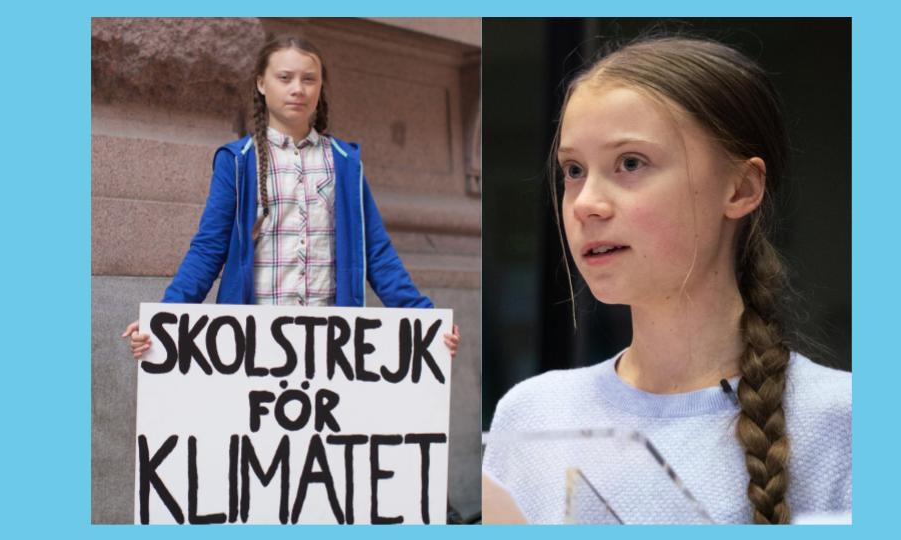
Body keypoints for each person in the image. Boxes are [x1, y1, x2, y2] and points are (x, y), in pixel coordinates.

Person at [482, 37, 850, 524]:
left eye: (630, 163)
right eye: (573, 170)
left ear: (740, 188)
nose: (585, 203)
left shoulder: (844, 422)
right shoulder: (531, 416)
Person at [122, 34, 459, 357]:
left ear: (320, 87)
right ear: (261, 83)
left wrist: (428, 322)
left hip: (331, 344)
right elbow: (208, 250)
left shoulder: (344, 163)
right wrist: (164, 319)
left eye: (309, 79)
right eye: (285, 78)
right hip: (251, 342)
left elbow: (378, 255)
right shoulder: (238, 162)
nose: (298, 89)